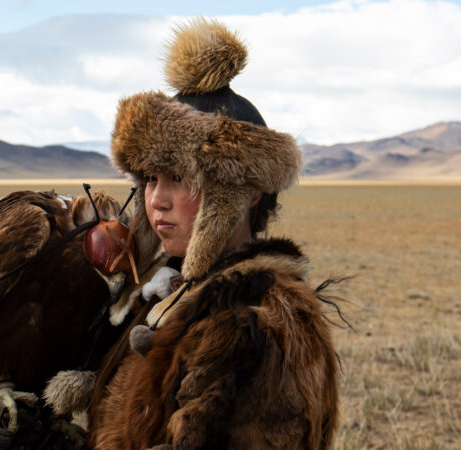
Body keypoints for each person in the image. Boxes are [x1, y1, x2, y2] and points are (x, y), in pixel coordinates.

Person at [87, 19, 340, 449]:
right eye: (150, 177)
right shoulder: (171, 293)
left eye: (181, 177)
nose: (157, 200)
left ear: (248, 191)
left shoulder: (265, 324)